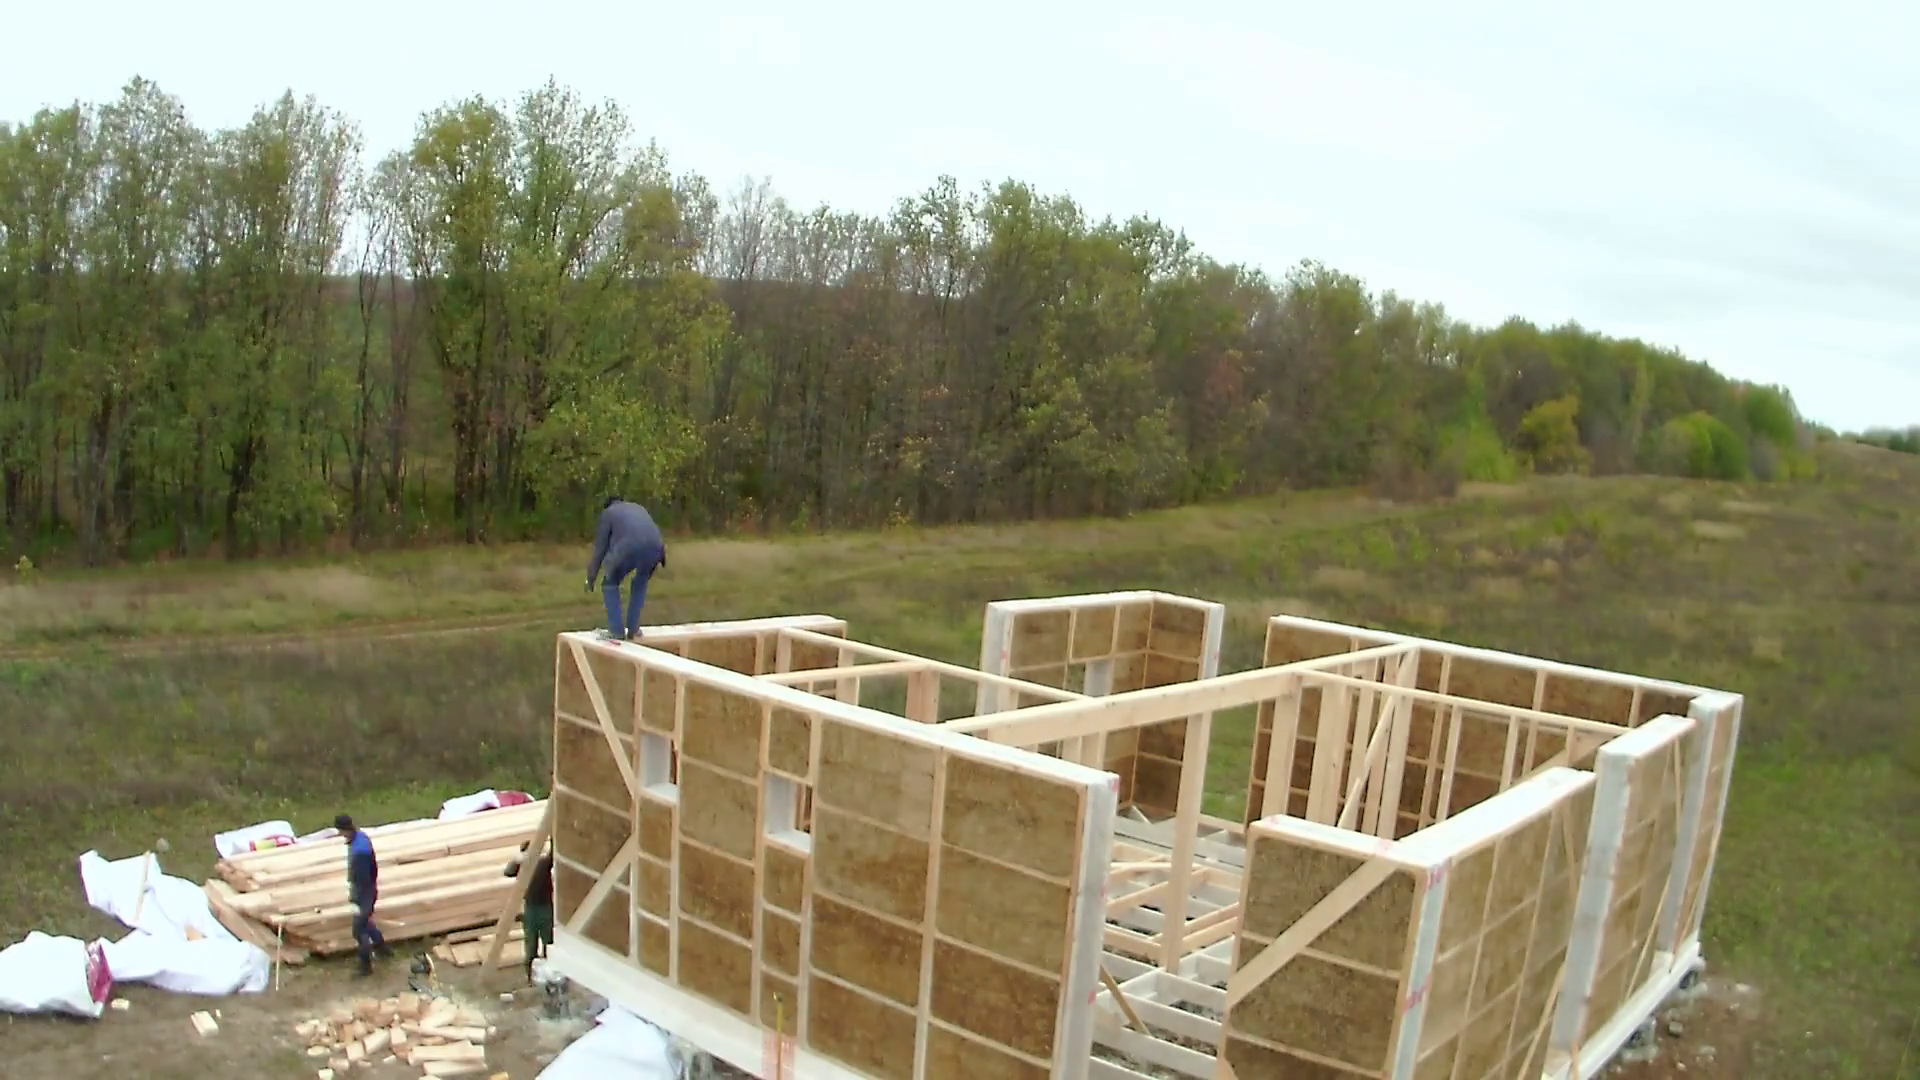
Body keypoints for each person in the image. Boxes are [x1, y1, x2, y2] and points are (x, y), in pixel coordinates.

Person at [586, 496, 667, 641]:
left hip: (630, 547)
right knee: (640, 583)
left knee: (609, 584)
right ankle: (634, 630)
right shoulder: (638, 507)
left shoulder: (608, 513)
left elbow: (600, 548)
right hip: (657, 547)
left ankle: (617, 631)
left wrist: (591, 578)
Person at [336, 814, 393, 976]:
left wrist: (356, 900)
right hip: (368, 891)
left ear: (343, 829)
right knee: (366, 923)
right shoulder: (360, 838)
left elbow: (362, 879)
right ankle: (383, 950)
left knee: (358, 930)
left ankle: (365, 967)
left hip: (364, 894)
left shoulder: (359, 851)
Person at [503, 839, 555, 984]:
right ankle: (531, 976)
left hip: (542, 907)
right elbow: (508, 872)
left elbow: (553, 855)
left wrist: (553, 838)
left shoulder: (543, 863)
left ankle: (543, 973)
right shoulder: (525, 865)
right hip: (534, 908)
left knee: (546, 942)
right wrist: (517, 860)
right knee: (533, 944)